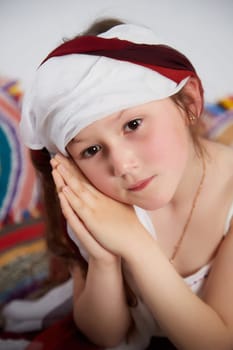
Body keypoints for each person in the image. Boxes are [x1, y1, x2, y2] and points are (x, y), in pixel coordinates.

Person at [20, 18, 233, 350]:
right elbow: (106, 334)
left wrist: (134, 243)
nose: (121, 165)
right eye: (90, 149)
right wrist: (104, 258)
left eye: (133, 124)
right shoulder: (96, 196)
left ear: (189, 102)